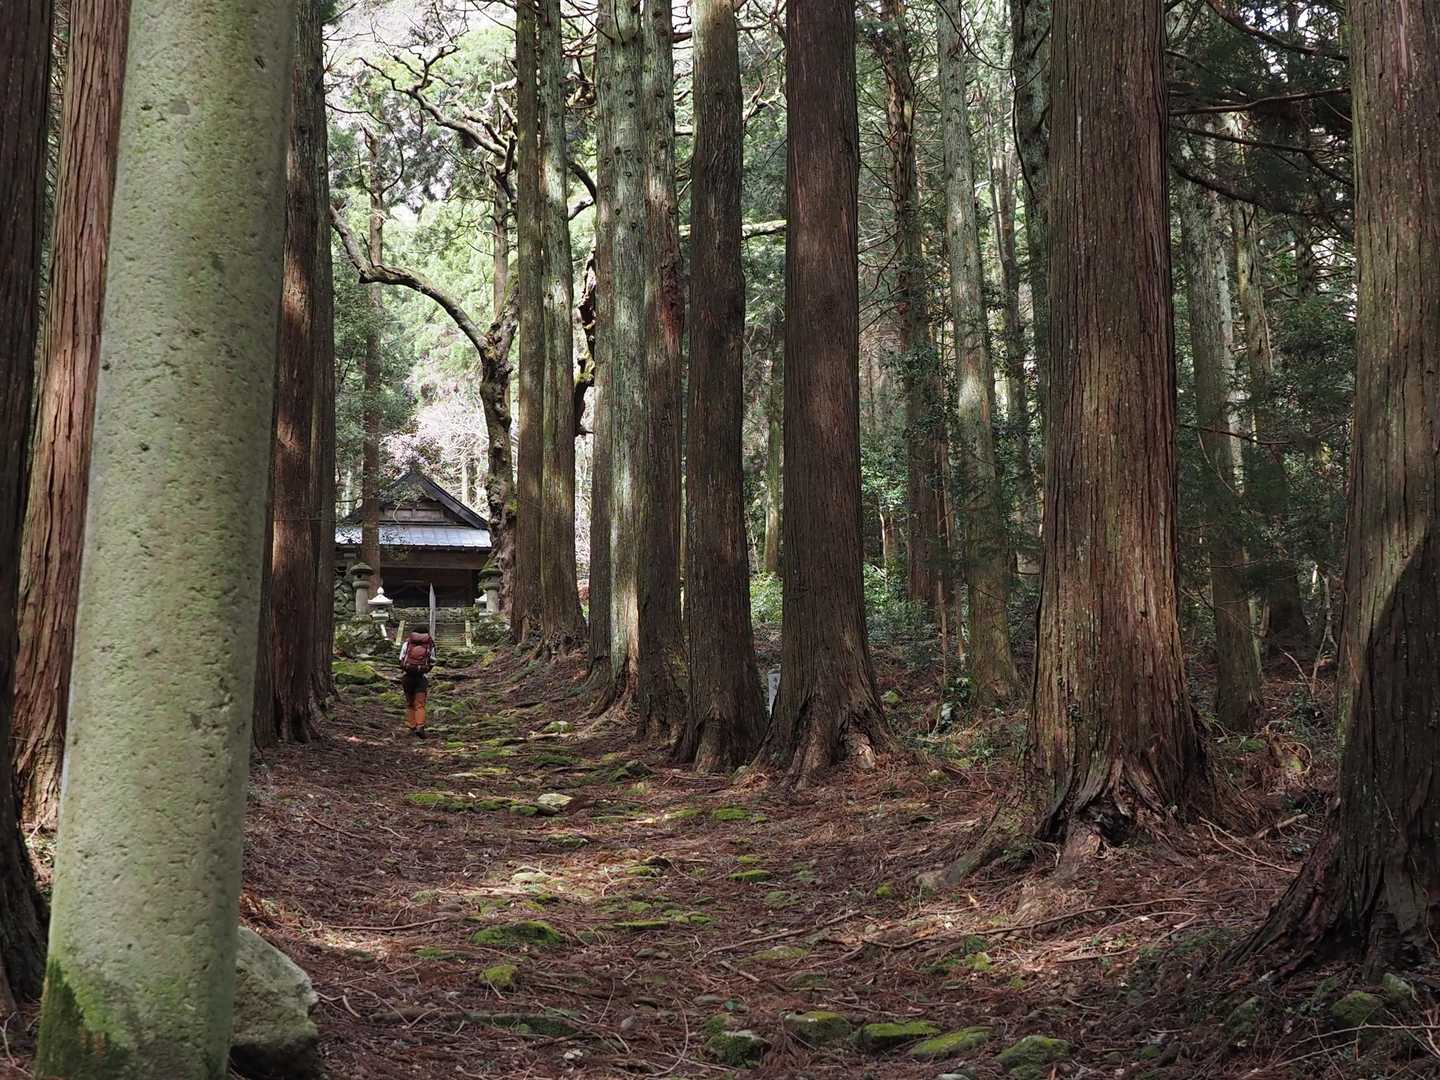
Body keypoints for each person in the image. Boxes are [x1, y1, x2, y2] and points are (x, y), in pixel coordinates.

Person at [398, 624, 437, 738]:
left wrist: (406, 668)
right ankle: (420, 726)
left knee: (410, 704)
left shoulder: (407, 643)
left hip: (407, 677)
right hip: (421, 678)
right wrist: (425, 670)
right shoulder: (429, 644)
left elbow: (401, 659)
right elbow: (433, 661)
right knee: (420, 704)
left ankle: (411, 726)